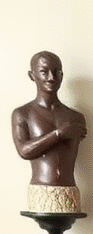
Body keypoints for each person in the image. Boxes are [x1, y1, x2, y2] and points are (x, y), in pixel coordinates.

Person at [11, 51, 88, 213]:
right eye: (44, 72)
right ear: (32, 75)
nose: (51, 77)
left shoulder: (76, 117)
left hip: (69, 189)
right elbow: (24, 151)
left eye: (57, 72)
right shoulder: (23, 113)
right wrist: (59, 134)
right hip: (41, 190)